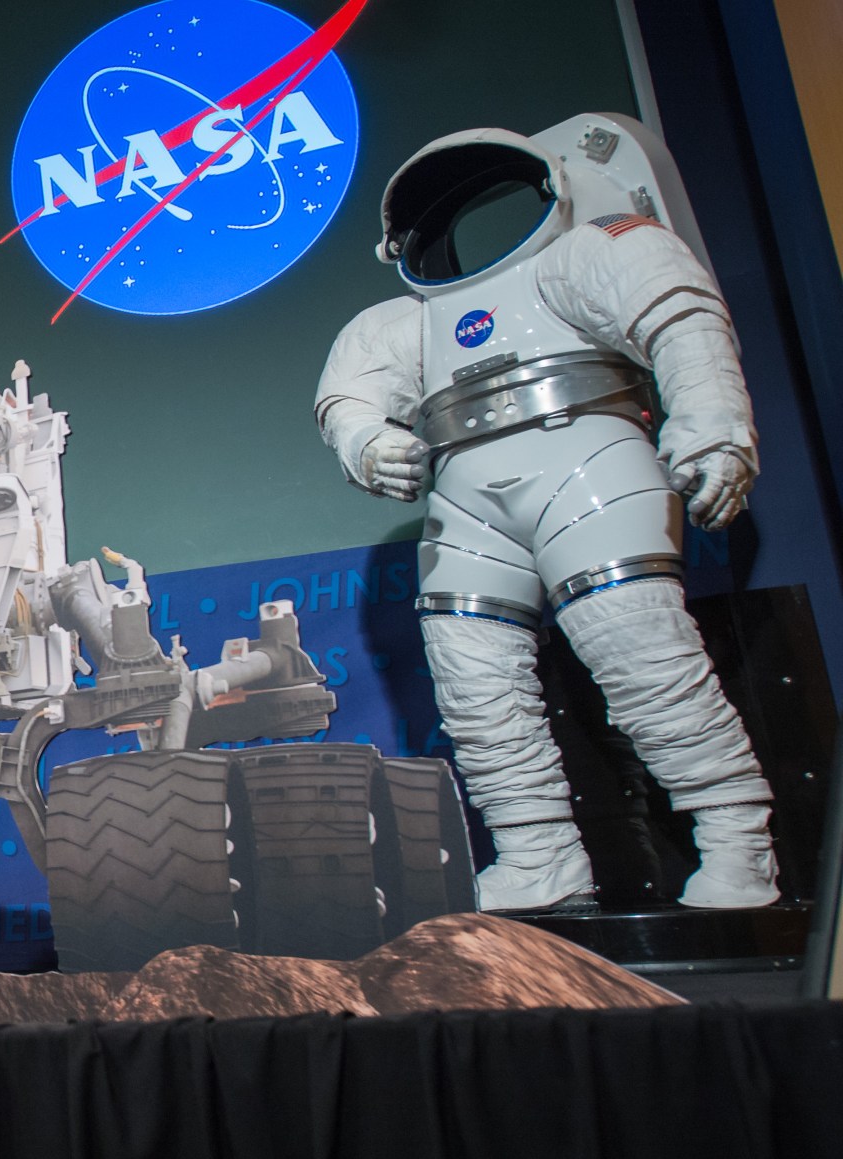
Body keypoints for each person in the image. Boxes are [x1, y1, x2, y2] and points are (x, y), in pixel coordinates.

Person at [315, 118, 777, 912]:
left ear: (548, 183)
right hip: (467, 497)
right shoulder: (403, 321)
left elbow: (683, 325)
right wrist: (367, 442)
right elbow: (346, 400)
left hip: (590, 459)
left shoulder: (589, 253)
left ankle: (738, 839)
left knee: (641, 656)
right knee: (474, 681)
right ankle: (536, 853)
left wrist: (711, 432)